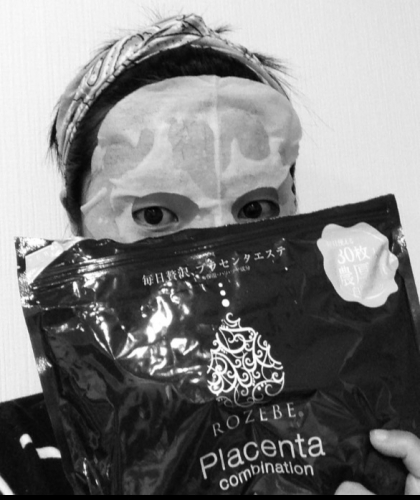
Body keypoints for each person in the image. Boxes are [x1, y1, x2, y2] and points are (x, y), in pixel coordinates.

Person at [1, 13, 420, 496]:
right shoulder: (15, 458)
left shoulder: (381, 428)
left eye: (255, 208)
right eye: (155, 215)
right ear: (76, 226)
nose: (215, 258)